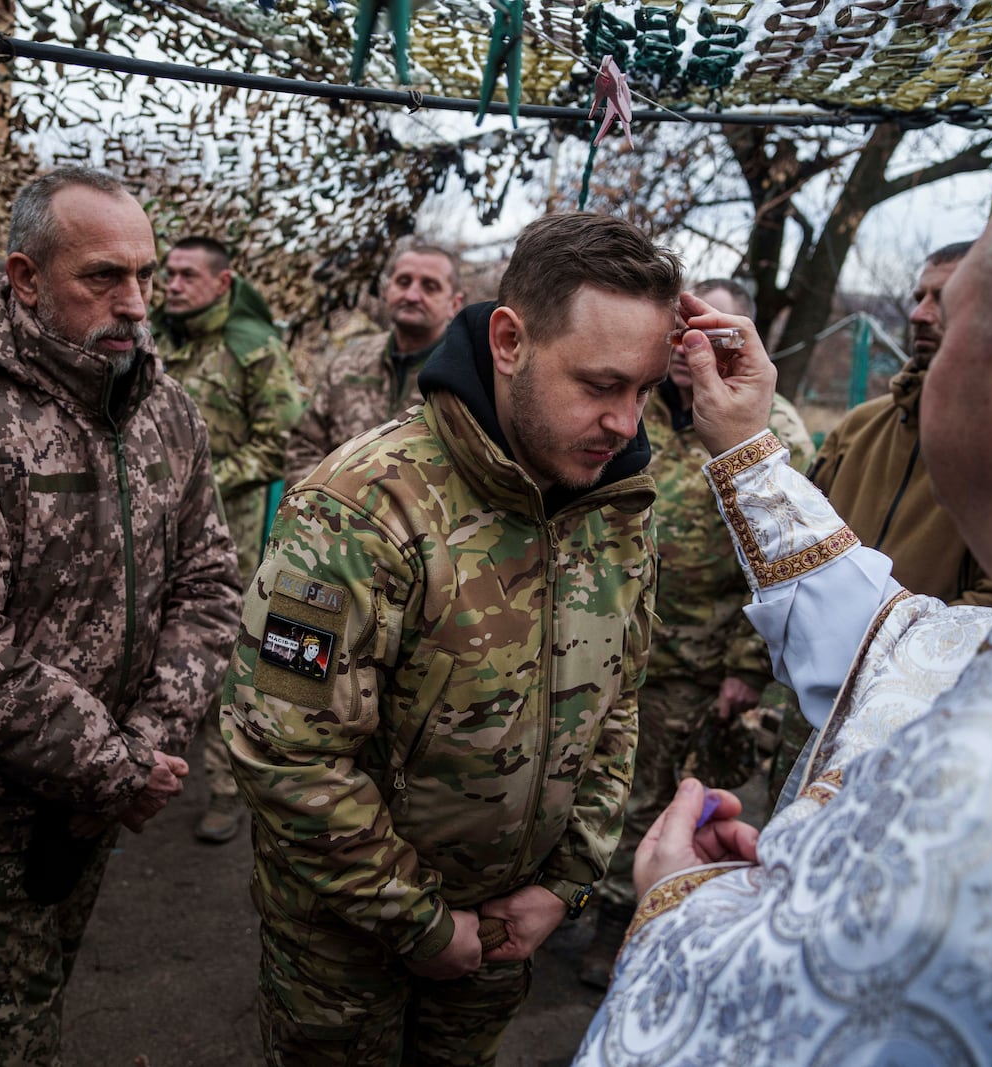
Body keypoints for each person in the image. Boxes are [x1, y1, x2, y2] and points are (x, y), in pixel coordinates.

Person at [578, 125, 992, 1066]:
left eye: (953, 332)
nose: (921, 344)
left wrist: (680, 902)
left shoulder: (986, 808)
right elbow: (900, 642)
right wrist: (745, 449)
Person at [222, 212, 680, 1066]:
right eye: (600, 384)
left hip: (506, 932)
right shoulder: (362, 504)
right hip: (347, 941)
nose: (626, 422)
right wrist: (422, 922)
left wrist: (564, 886)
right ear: (509, 340)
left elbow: (614, 710)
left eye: (646, 390)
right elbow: (283, 749)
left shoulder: (614, 506)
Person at [0, 167, 242, 1066]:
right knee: (5, 1038)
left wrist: (149, 739)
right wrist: (115, 765)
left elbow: (212, 579)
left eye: (147, 275)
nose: (137, 302)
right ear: (26, 278)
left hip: (98, 802)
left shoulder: (162, 405)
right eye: (103, 277)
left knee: (40, 1001)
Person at [575, 278, 813, 988]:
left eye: (708, 332)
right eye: (680, 333)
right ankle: (599, 898)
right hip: (620, 646)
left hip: (702, 654)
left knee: (665, 792)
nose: (689, 348)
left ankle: (630, 921)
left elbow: (779, 555)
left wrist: (746, 662)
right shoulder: (635, 415)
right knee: (608, 782)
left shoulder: (770, 431)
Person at [768, 242, 992, 802]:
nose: (920, 313)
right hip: (812, 700)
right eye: (918, 295)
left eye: (942, 298)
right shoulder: (859, 426)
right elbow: (795, 542)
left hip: (915, 719)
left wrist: (889, 660)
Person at [151, 235, 304, 844]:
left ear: (223, 281)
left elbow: (281, 441)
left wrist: (206, 481)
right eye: (170, 273)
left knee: (223, 653)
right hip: (152, 525)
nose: (173, 283)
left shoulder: (254, 348)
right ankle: (137, 769)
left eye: (188, 274)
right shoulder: (155, 339)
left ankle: (222, 789)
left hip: (226, 533)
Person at [282, 244, 465, 485]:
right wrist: (316, 508)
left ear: (455, 303)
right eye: (403, 281)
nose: (411, 295)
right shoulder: (349, 363)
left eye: (430, 286)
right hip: (333, 517)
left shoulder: (466, 376)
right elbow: (304, 447)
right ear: (388, 289)